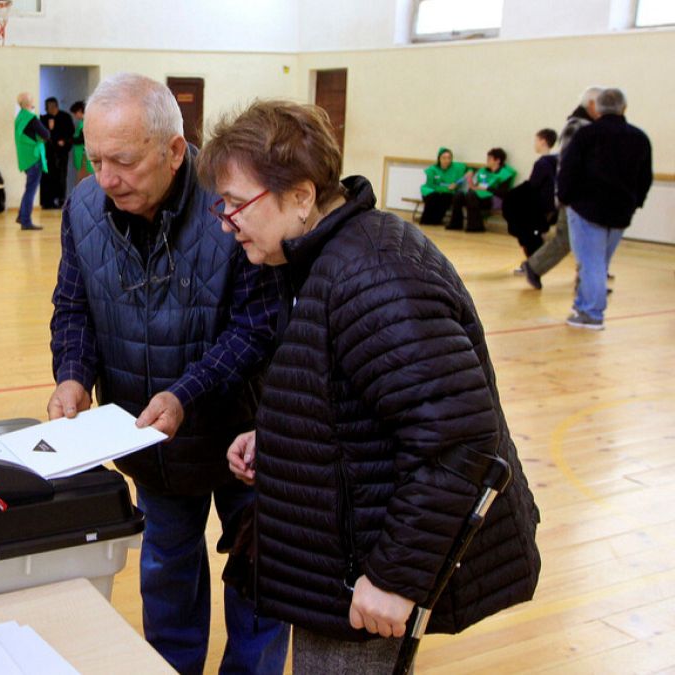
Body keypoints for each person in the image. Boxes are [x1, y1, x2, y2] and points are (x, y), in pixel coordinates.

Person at [199, 100, 543, 672]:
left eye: (238, 205)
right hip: (338, 555)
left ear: (303, 195)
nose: (226, 222)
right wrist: (281, 435)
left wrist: (394, 577)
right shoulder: (321, 257)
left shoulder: (376, 274)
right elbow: (354, 393)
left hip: (369, 569)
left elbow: (458, 444)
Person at [48, 73, 287, 674]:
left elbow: (258, 326)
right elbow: (74, 306)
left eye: (123, 161)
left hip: (245, 438)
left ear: (175, 150)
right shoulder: (83, 206)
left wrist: (185, 393)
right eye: (94, 158)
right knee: (167, 574)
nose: (106, 179)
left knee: (262, 578)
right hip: (151, 442)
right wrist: (73, 374)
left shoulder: (238, 203)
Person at [558, 88, 652, 331]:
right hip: (621, 212)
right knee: (599, 263)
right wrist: (635, 203)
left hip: (586, 209)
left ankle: (591, 314)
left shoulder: (587, 134)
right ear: (624, 108)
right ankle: (581, 306)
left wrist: (565, 198)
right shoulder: (639, 138)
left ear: (597, 108)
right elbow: (645, 177)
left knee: (591, 264)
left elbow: (569, 168)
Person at [519, 86, 602, 289]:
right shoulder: (578, 126)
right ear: (591, 104)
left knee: (586, 239)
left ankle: (588, 281)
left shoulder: (585, 125)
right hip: (575, 194)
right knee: (566, 239)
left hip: (580, 194)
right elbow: (572, 164)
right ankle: (534, 267)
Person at [504, 129, 558, 258]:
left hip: (540, 206)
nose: (535, 144)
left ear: (543, 141)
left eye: (536, 141)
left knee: (529, 232)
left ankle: (533, 263)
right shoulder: (556, 160)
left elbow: (533, 185)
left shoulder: (542, 163)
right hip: (552, 205)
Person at [447, 147, 516, 232]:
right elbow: (476, 185)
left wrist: (486, 188)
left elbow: (503, 192)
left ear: (497, 160)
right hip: (478, 195)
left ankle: (475, 226)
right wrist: (472, 184)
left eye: (489, 159)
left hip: (494, 198)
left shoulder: (505, 174)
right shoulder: (483, 171)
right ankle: (455, 224)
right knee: (459, 194)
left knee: (471, 195)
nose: (487, 161)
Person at [13, 92, 49, 230]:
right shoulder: (31, 118)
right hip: (34, 158)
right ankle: (26, 221)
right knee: (30, 191)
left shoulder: (19, 118)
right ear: (29, 104)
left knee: (28, 189)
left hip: (25, 159)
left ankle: (22, 215)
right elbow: (46, 134)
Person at [39, 96, 75, 209]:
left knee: (61, 176)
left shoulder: (65, 117)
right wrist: (50, 128)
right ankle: (47, 201)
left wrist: (64, 141)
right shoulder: (44, 118)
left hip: (61, 153)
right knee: (47, 176)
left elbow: (71, 132)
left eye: (48, 107)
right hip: (48, 152)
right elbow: (43, 134)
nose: (46, 109)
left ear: (54, 106)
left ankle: (60, 200)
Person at [418, 147, 466, 225]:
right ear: (439, 159)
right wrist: (443, 188)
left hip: (446, 192)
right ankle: (425, 220)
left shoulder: (456, 167)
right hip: (432, 191)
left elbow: (469, 170)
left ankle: (436, 220)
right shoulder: (432, 170)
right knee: (433, 196)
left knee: (446, 197)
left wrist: (457, 183)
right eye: (444, 158)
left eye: (449, 158)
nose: (446, 160)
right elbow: (431, 185)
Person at [69, 100, 94, 184]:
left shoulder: (86, 123)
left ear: (80, 111)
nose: (75, 116)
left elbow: (81, 139)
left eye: (75, 113)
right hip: (83, 156)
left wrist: (68, 140)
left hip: (85, 157)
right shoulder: (82, 123)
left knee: (83, 181)